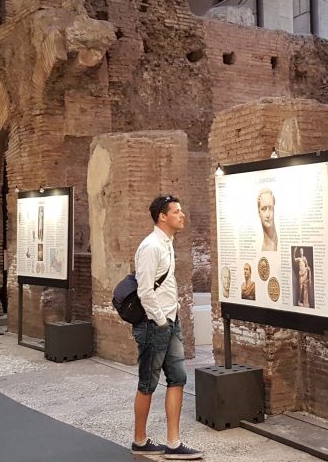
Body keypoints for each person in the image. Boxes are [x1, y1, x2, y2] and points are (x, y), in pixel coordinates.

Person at [130, 195, 202, 460]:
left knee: (178, 378)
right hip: (154, 324)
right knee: (148, 382)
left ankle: (173, 442)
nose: (182, 215)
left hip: (170, 321)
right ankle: (139, 440)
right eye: (177, 212)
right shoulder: (151, 246)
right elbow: (145, 291)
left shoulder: (167, 244)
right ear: (163, 216)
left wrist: (172, 317)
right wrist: (161, 321)